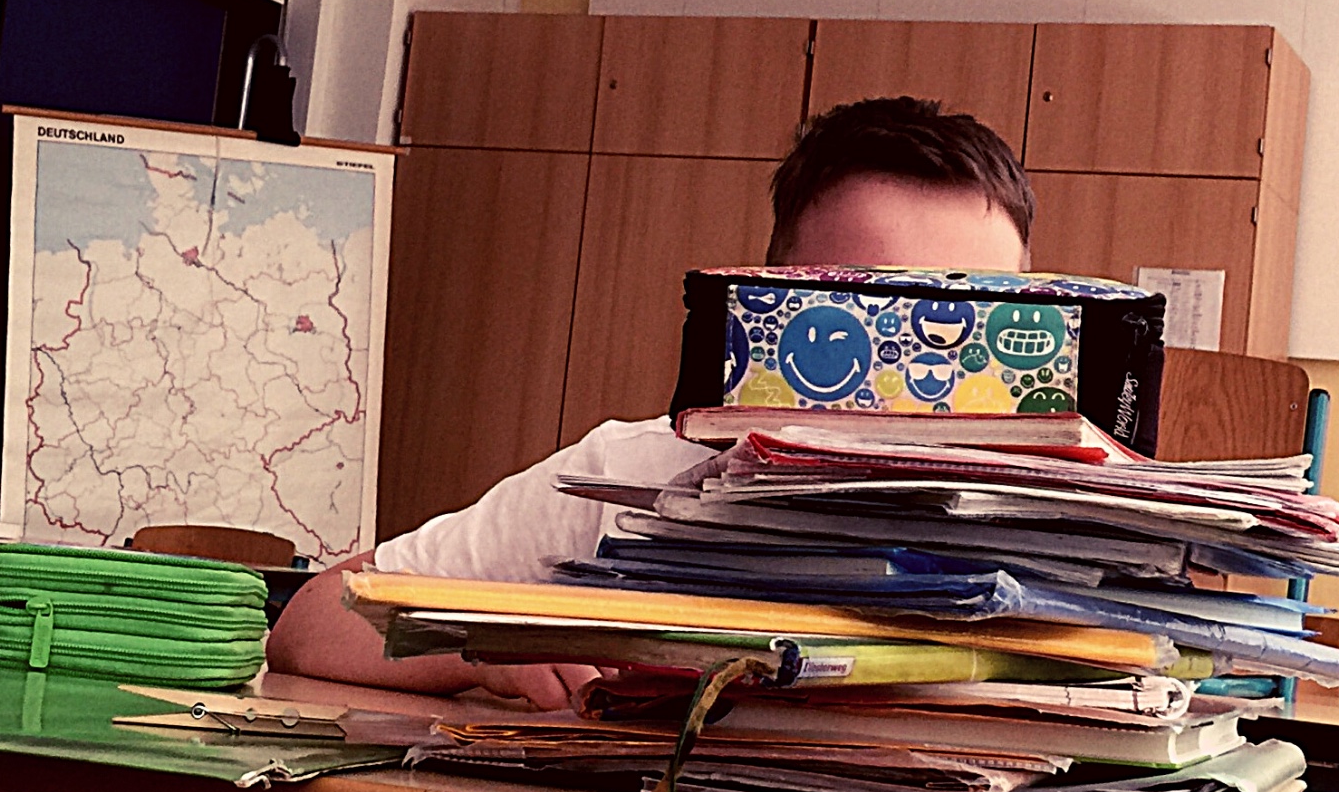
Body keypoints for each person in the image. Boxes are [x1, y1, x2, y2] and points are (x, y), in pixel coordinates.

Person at [266, 96, 1037, 706]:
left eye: (973, 321)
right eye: (868, 313)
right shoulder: (626, 476)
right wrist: (485, 650)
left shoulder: (1082, 530)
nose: (919, 368)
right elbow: (315, 621)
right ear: (763, 305)